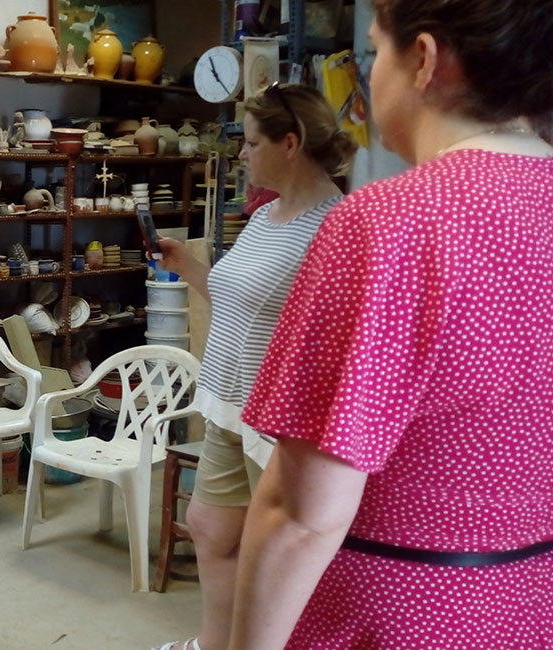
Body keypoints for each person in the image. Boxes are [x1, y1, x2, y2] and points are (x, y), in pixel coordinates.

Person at [229, 1, 553, 648]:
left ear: (426, 60)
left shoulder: (390, 223)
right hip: (530, 604)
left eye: (375, 53)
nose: (370, 78)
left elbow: (302, 515)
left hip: (394, 615)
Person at [151, 84, 357, 650]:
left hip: (275, 420)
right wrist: (189, 265)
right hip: (225, 399)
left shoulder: (333, 227)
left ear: (290, 143)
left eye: (252, 141)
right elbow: (241, 297)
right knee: (211, 529)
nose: (242, 153)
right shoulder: (267, 218)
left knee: (273, 556)